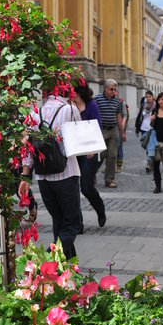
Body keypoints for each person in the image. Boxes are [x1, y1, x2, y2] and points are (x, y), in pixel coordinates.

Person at [21, 90, 82, 259]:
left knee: (59, 223)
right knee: (71, 225)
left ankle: (68, 271)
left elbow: (28, 149)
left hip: (43, 178)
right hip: (67, 174)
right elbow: (79, 137)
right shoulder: (70, 110)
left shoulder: (34, 113)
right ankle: (44, 260)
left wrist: (25, 176)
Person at [73, 81, 106, 228]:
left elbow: (97, 127)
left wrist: (93, 149)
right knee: (73, 188)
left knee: (86, 186)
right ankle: (78, 224)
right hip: (75, 151)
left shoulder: (91, 105)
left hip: (89, 152)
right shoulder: (70, 107)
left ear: (78, 93)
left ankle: (100, 209)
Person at [94, 79, 126, 189]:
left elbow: (118, 116)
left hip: (113, 130)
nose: (113, 91)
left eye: (115, 89)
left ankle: (109, 179)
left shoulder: (117, 101)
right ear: (105, 88)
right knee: (101, 155)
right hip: (102, 130)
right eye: (111, 89)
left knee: (112, 156)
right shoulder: (97, 99)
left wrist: (122, 132)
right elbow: (93, 113)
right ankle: (92, 174)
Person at [135, 90, 156, 172]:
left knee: (150, 146)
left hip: (152, 129)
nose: (148, 98)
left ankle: (149, 163)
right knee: (147, 146)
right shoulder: (143, 106)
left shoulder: (156, 106)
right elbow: (139, 117)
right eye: (146, 97)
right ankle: (152, 162)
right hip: (143, 128)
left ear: (153, 97)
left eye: (150, 96)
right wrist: (137, 129)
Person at [115, 95, 129, 173]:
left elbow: (125, 115)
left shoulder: (121, 102)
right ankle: (108, 166)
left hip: (120, 127)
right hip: (112, 127)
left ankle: (119, 165)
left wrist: (122, 126)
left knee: (119, 146)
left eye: (115, 90)